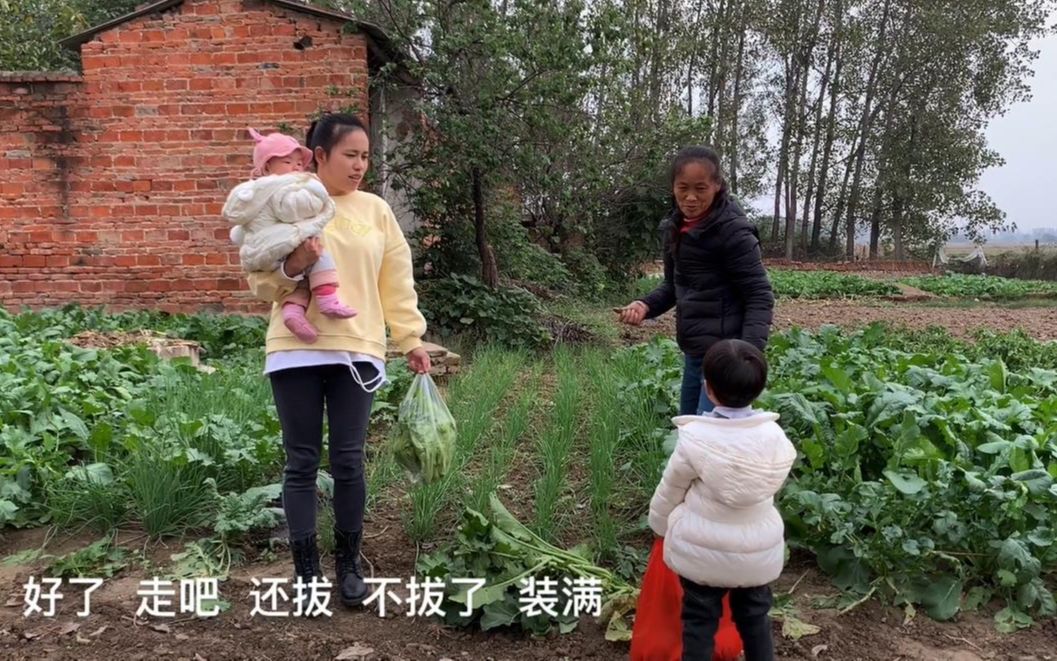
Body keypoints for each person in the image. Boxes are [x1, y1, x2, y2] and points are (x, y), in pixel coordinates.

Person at [244, 113, 432, 608]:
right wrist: (295, 265)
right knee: (301, 461)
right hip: (295, 349)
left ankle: (348, 564)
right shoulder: (284, 204)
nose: (360, 166)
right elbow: (259, 277)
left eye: (366, 156)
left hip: (359, 349)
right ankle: (306, 570)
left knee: (349, 462)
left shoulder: (375, 210)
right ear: (319, 156)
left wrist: (410, 338)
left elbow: (396, 278)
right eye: (350, 155)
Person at [648, 339, 796, 661]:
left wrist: (659, 526)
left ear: (707, 388)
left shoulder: (696, 438)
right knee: (755, 619)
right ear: (759, 389)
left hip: (703, 554)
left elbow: (670, 488)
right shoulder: (775, 439)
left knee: (699, 621)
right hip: (758, 553)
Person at [619, 147, 774, 416]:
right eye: (683, 188)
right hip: (696, 353)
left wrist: (747, 356)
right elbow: (673, 287)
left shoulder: (733, 232)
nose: (690, 197)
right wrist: (645, 305)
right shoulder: (675, 229)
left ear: (717, 186)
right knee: (690, 430)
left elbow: (759, 294)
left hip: (727, 360)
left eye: (700, 188)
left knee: (711, 440)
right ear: (673, 187)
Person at [224, 128, 357, 344]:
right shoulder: (280, 188)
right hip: (281, 245)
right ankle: (327, 297)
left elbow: (241, 230)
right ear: (267, 166)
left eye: (299, 163)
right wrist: (315, 198)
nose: (296, 167)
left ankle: (293, 313)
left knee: (300, 283)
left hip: (264, 251)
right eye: (288, 162)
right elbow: (290, 210)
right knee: (319, 252)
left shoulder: (252, 192)